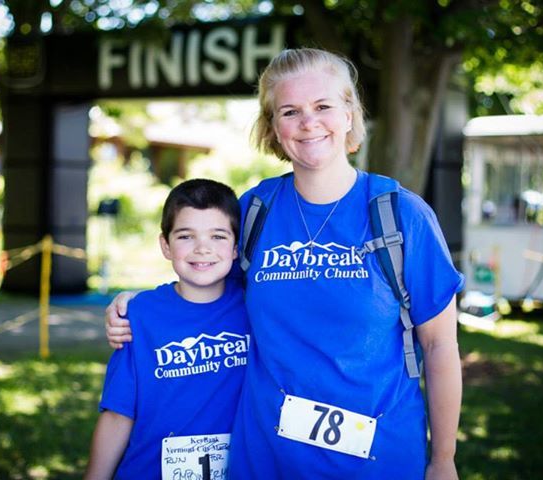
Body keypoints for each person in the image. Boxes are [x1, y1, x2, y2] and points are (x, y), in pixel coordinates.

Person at [106, 48, 464, 480]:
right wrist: (136, 306)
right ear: (273, 128)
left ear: (349, 114)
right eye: (290, 111)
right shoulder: (255, 210)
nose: (308, 122)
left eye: (323, 106)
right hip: (265, 462)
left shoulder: (401, 216)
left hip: (378, 460)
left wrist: (443, 461)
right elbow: (203, 289)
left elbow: (440, 347)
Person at [85, 179, 250, 480]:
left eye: (218, 236)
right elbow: (119, 412)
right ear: (165, 245)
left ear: (236, 247)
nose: (203, 248)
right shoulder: (139, 315)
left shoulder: (255, 308)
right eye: (186, 236)